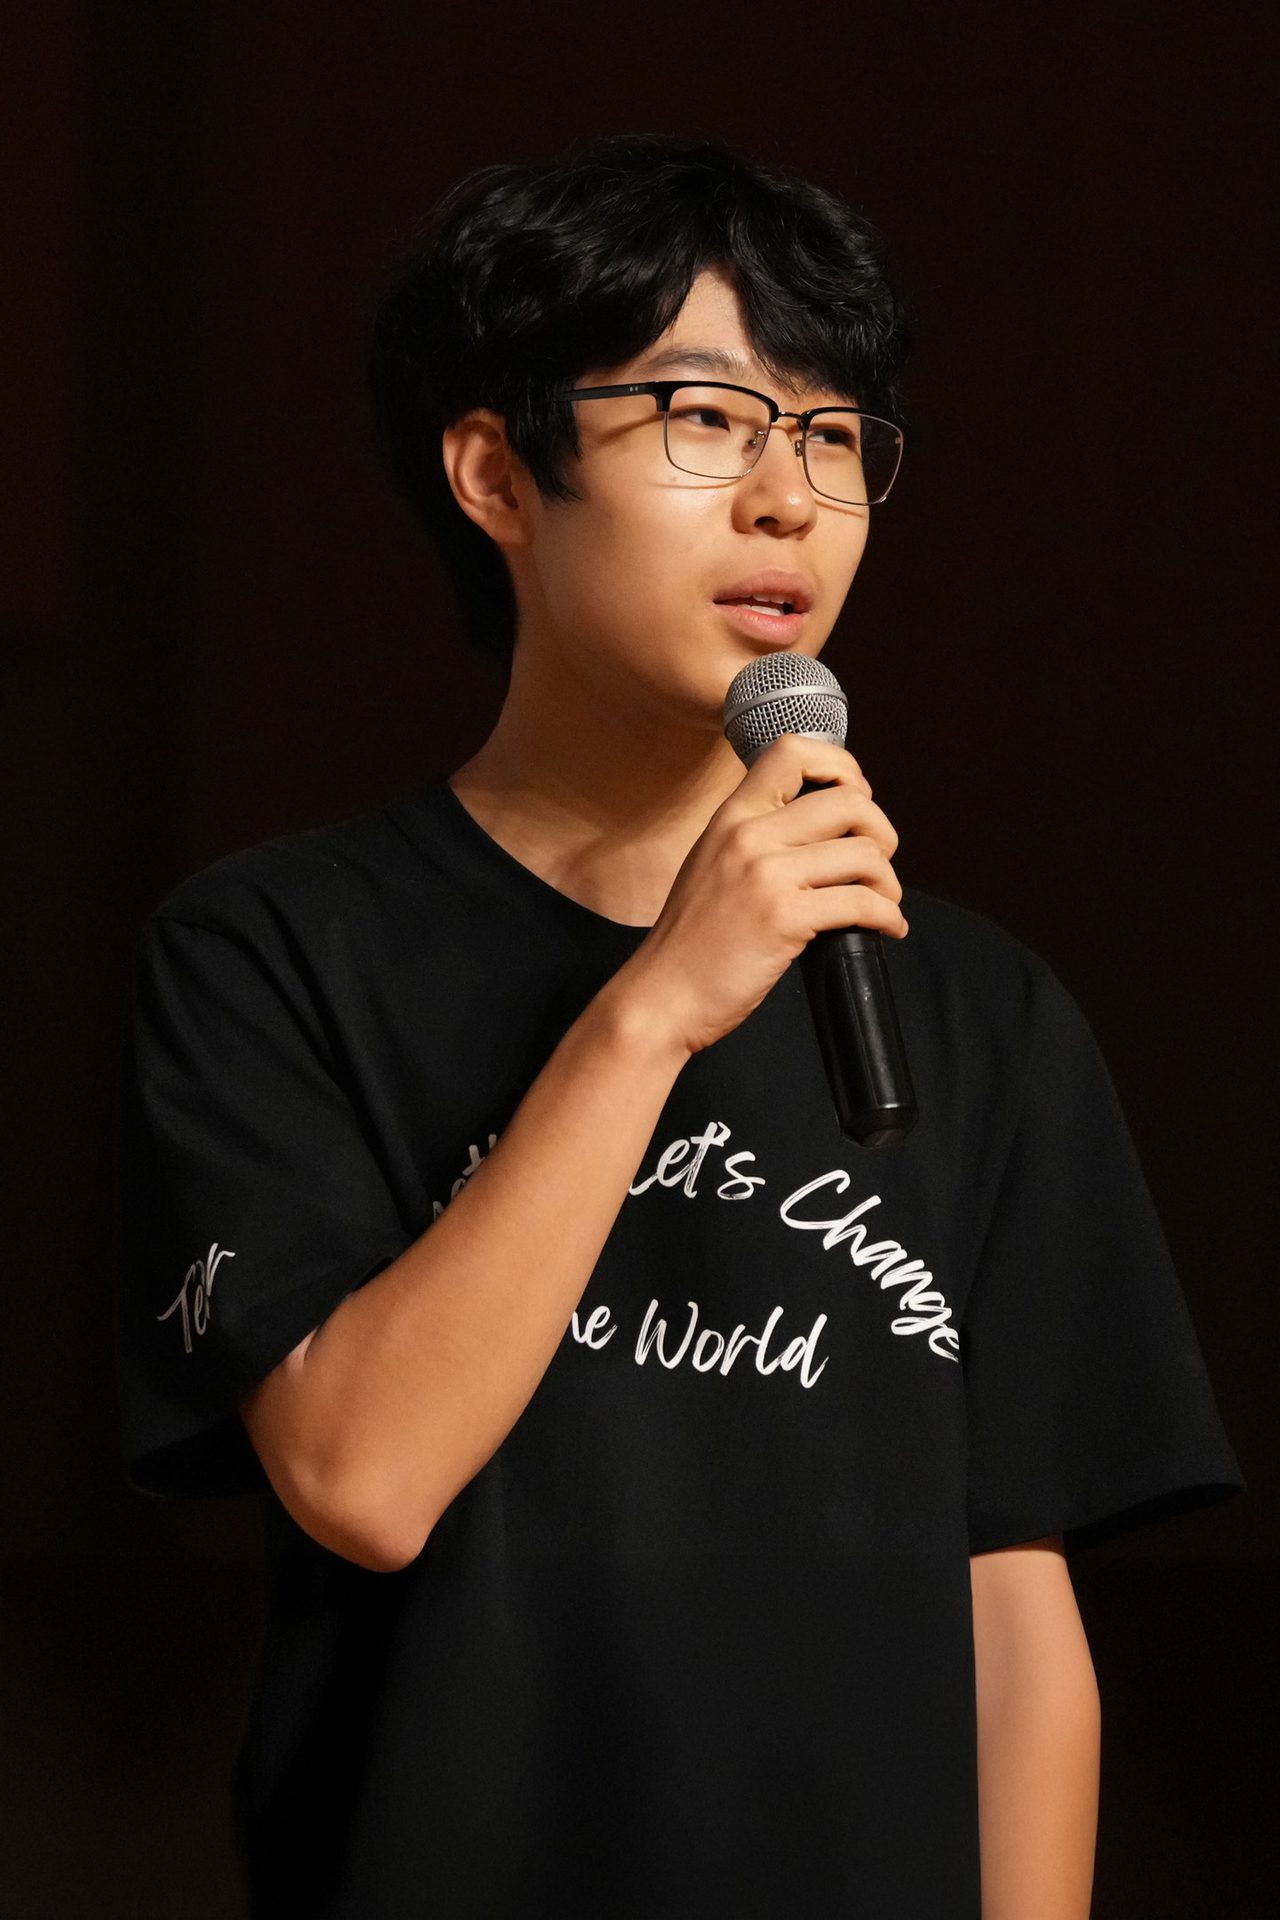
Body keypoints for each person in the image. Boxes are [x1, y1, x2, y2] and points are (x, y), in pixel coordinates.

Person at [115, 132, 1245, 1919]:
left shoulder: (982, 1010)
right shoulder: (271, 950)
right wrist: (652, 1010)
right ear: (498, 474)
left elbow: (1015, 1621)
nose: (790, 499)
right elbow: (362, 1478)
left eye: (836, 436)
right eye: (708, 418)